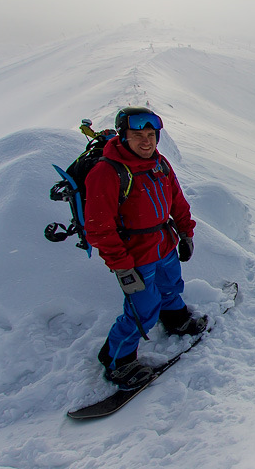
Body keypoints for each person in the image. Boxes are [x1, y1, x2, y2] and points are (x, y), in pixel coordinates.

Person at [84, 106, 200, 390]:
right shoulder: (107, 172)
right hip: (134, 255)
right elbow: (99, 228)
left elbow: (177, 200)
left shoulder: (159, 163)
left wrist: (185, 232)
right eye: (138, 135)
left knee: (171, 285)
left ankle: (176, 319)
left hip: (164, 243)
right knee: (142, 308)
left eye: (151, 134)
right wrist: (121, 266)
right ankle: (116, 358)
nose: (146, 141)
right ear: (123, 136)